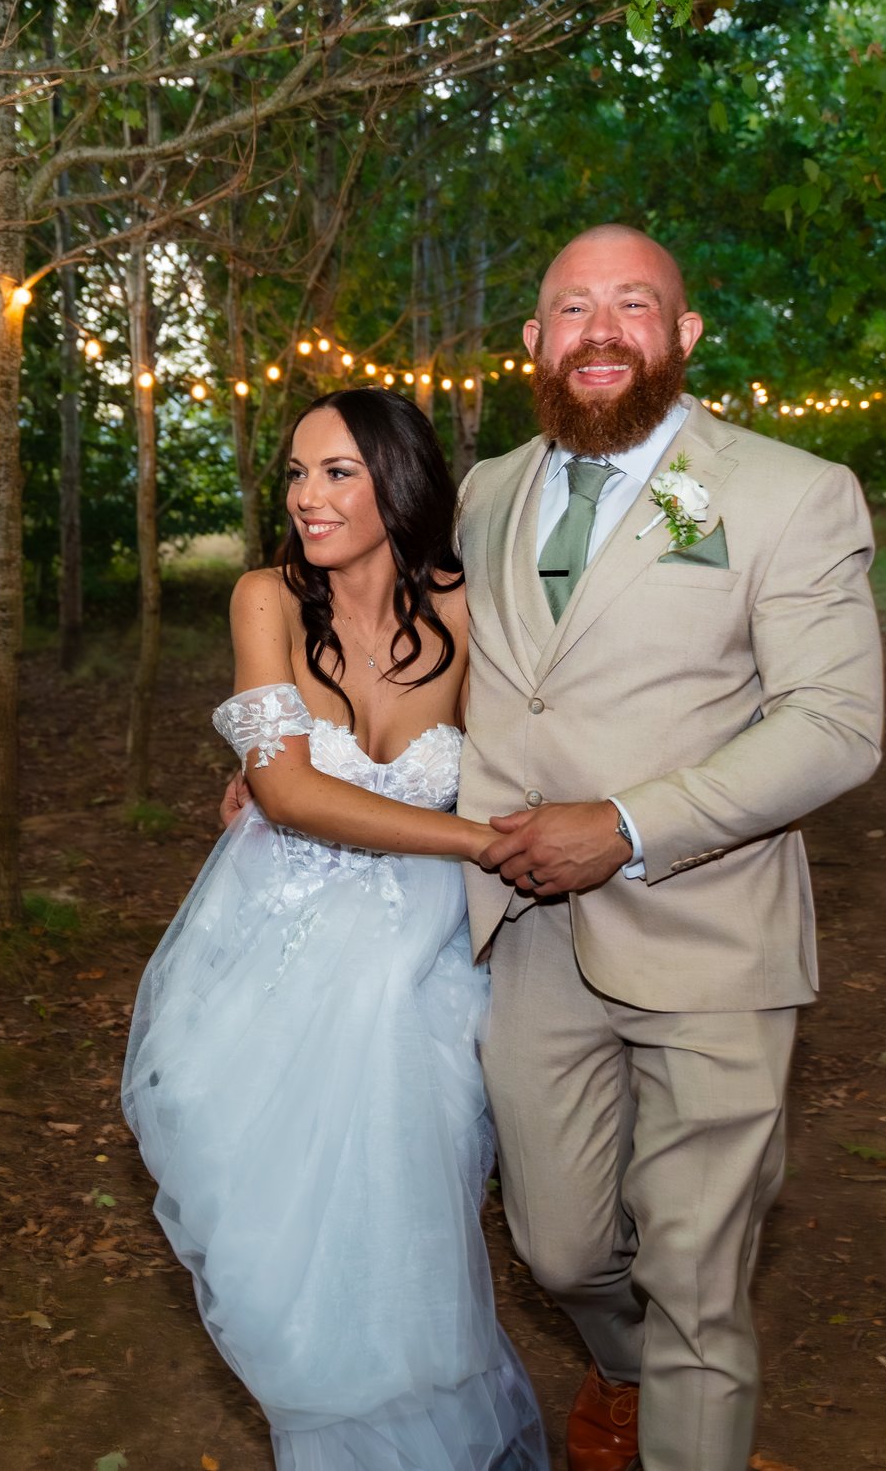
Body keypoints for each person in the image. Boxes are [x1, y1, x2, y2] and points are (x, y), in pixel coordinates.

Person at [455, 225, 884, 1471]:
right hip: (528, 932)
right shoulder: (484, 492)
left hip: (709, 930)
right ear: (532, 340)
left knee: (696, 1276)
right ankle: (627, 1367)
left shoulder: (784, 490)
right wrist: (287, 762)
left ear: (683, 334)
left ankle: (685, 1409)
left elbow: (834, 723)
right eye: (571, 307)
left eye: (632, 304)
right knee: (559, 1249)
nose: (600, 330)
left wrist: (628, 824)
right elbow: (416, 659)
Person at [122, 387, 547, 1471]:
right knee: (277, 1236)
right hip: (271, 939)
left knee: (406, 1225)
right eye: (297, 474)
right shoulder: (265, 598)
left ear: (398, 482)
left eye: (338, 472)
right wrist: (474, 841)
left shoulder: (469, 608)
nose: (306, 497)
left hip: (418, 957)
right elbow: (289, 791)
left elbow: (527, 751)